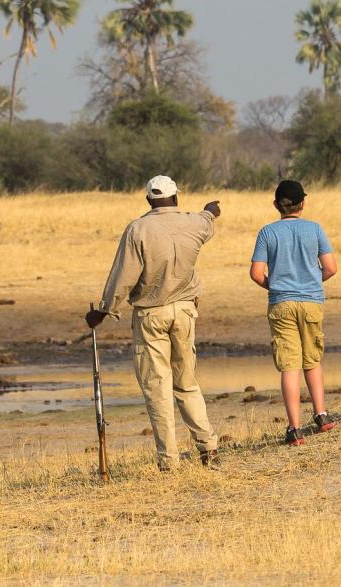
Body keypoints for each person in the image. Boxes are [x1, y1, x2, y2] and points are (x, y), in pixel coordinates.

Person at [85, 175, 221, 471]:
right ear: (176, 198)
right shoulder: (195, 223)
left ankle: (169, 461)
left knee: (157, 388)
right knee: (187, 383)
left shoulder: (138, 229)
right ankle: (208, 447)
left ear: (148, 200)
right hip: (185, 312)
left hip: (150, 315)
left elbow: (123, 277)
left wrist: (104, 310)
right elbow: (208, 219)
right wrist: (210, 210)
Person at [249, 180, 339, 446]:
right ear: (303, 203)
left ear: (277, 205)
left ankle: (295, 429)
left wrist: (275, 286)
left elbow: (256, 273)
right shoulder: (315, 229)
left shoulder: (267, 232)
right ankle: (321, 415)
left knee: (289, 365)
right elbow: (331, 268)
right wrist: (309, 283)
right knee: (312, 359)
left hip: (281, 303)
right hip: (311, 301)